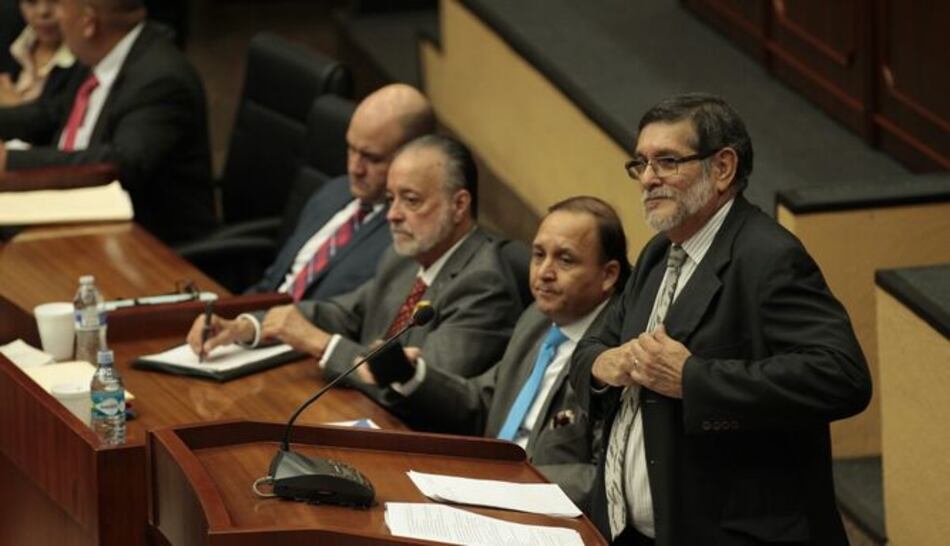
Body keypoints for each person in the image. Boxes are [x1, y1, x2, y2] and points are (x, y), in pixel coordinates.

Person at [573, 93, 872, 545]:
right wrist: (605, 365)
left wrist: (693, 378)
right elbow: (591, 349)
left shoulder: (768, 257)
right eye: (641, 164)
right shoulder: (659, 253)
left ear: (723, 168)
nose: (648, 179)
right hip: (625, 530)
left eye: (667, 162)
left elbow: (841, 376)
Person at [189, 134, 524, 388]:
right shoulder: (405, 256)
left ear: (459, 205)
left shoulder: (483, 285)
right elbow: (341, 313)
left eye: (411, 201)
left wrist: (322, 345)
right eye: (391, 199)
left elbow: (420, 388)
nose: (393, 215)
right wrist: (248, 326)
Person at [373, 196, 630, 510]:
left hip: (543, 513)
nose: (545, 272)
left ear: (609, 275)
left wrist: (510, 484)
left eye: (565, 260)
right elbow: (486, 402)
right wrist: (412, 375)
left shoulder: (616, 356)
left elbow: (605, 476)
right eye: (538, 255)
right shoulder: (536, 319)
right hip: (483, 491)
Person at [0, 0, 213, 244]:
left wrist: (11, 163)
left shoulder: (160, 79)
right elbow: (49, 115)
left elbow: (120, 163)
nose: (55, 16)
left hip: (146, 247)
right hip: (76, 218)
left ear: (88, 22)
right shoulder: (98, 56)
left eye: (60, 5)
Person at [246, 83, 435, 301]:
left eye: (372, 158)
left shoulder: (408, 242)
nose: (355, 168)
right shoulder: (332, 192)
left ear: (414, 157)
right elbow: (270, 284)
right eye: (351, 148)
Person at [0, 0, 75, 106]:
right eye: (31, 1)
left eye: (56, 1)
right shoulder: (11, 38)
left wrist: (13, 108)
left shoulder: (86, 61)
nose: (43, 12)